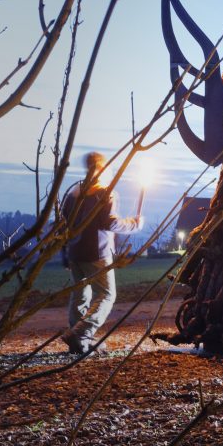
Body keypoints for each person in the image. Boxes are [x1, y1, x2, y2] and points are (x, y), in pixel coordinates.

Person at [60, 152, 143, 355]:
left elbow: (63, 225)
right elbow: (110, 223)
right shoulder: (104, 194)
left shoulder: (73, 193)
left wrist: (65, 253)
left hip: (75, 252)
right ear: (103, 168)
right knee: (106, 295)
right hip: (97, 253)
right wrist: (134, 224)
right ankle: (80, 333)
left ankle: (78, 342)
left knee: (80, 295)